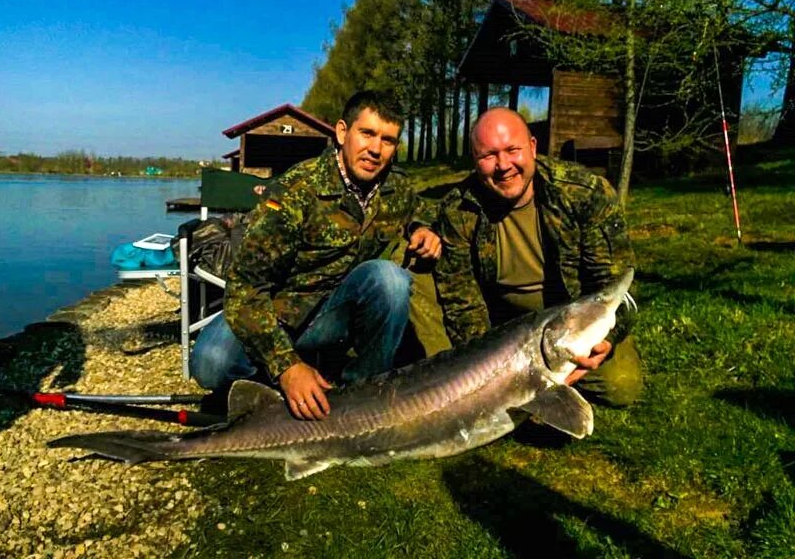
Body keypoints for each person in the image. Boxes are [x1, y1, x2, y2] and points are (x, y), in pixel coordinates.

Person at [189, 91, 441, 420]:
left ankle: (359, 395)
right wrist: (287, 367)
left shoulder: (397, 187)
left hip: (335, 314)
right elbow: (245, 287)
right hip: (275, 311)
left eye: (388, 140)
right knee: (209, 365)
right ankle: (280, 384)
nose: (376, 150)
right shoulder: (295, 192)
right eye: (367, 134)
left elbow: (421, 211)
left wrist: (423, 229)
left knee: (390, 281)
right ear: (341, 132)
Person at [434, 107, 642, 406]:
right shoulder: (457, 211)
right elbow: (462, 305)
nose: (503, 165)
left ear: (532, 147)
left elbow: (617, 288)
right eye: (489, 156)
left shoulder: (584, 192)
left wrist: (607, 341)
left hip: (571, 325)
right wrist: (493, 375)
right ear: (475, 162)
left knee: (622, 387)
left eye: (512, 150)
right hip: (502, 331)